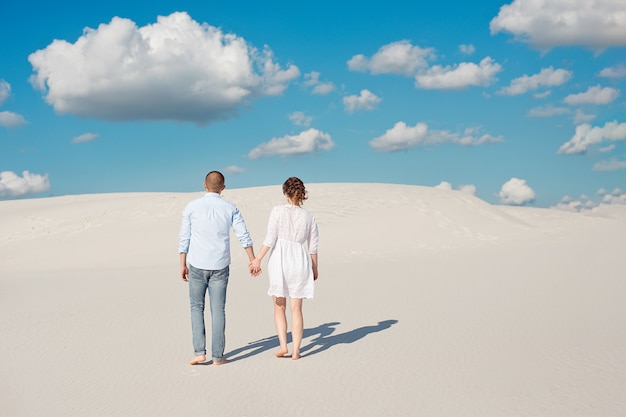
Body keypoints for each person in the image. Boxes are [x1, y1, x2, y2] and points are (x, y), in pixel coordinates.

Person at [179, 171, 258, 366]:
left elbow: (184, 237)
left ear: (204, 185)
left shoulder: (192, 206)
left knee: (196, 308)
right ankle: (217, 356)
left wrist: (182, 262)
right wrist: (252, 259)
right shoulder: (230, 207)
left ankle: (199, 352)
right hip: (220, 265)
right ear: (223, 187)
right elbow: (243, 235)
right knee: (218, 310)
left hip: (197, 263)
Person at [250, 177, 319, 360]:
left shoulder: (277, 211)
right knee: (296, 309)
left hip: (280, 259)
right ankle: (296, 350)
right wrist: (315, 267)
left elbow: (270, 239)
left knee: (279, 306)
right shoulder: (309, 216)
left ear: (285, 193)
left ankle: (283, 346)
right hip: (299, 260)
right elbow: (313, 246)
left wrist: (257, 259)